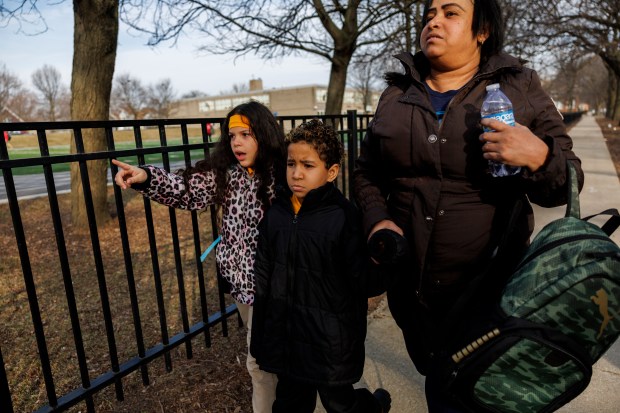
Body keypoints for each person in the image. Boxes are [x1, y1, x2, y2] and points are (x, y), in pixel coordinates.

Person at [352, 0, 584, 411]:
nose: (433, 22)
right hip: (414, 295)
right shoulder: (397, 93)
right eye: (429, 14)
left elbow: (568, 183)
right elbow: (367, 171)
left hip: (489, 292)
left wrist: (539, 157)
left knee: (468, 394)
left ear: (482, 31)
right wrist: (377, 220)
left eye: (450, 12)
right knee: (438, 379)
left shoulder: (519, 86)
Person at [112, 100, 284, 413]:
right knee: (265, 357)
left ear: (264, 134)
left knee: (258, 364)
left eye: (246, 134)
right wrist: (147, 177)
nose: (237, 143)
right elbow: (186, 189)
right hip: (241, 288)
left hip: (273, 289)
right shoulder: (227, 176)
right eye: (232, 136)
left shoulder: (285, 177)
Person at [250, 119, 392, 413]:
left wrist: (381, 260)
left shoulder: (344, 217)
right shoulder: (275, 215)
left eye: (308, 165)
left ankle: (373, 407)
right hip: (287, 341)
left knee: (340, 404)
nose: (296, 173)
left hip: (329, 344)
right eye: (291, 164)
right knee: (289, 403)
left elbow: (366, 283)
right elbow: (263, 279)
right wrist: (262, 336)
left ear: (331, 172)